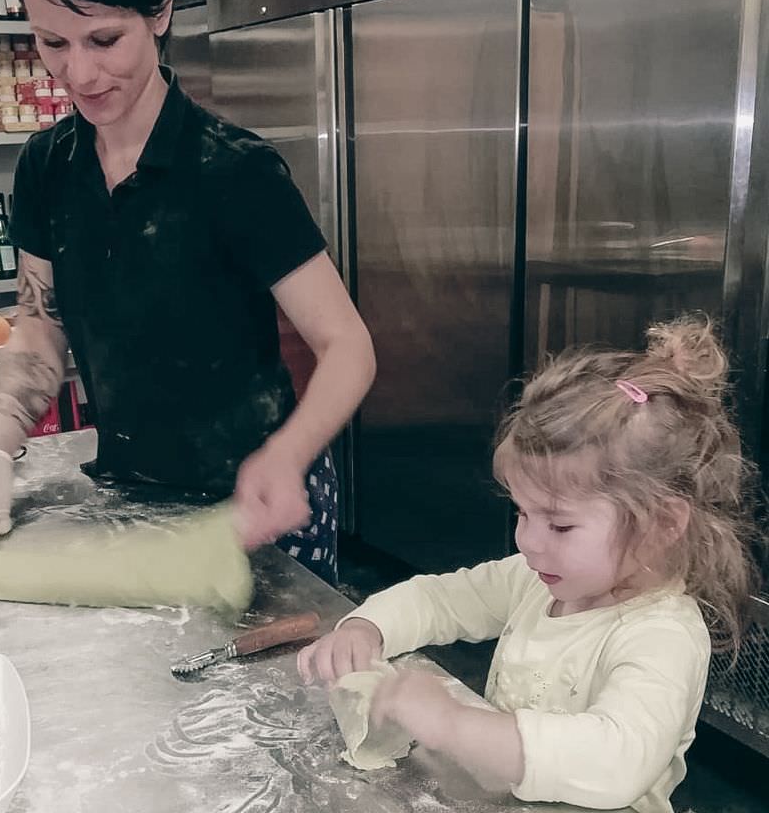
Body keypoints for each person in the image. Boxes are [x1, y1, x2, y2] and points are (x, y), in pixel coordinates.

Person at [0, 0, 376, 583]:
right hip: (128, 493)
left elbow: (347, 346)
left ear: (161, 11)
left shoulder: (234, 172)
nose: (78, 73)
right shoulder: (47, 167)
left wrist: (288, 454)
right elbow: (40, 320)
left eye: (104, 38)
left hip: (253, 504)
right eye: (53, 43)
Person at [298, 316, 759, 810]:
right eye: (522, 512)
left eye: (559, 525)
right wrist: (368, 627)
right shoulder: (538, 581)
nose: (528, 541)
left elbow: (616, 761)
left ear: (662, 524)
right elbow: (442, 599)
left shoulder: (661, 635)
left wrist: (455, 724)